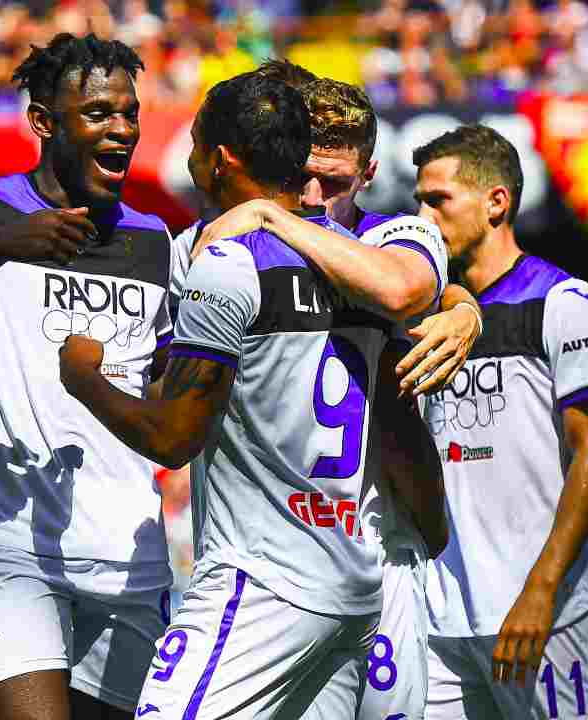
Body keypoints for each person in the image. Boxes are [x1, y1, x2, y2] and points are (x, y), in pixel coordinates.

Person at [57, 70, 445, 719]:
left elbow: (176, 438)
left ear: (219, 160)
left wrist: (83, 381)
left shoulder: (224, 259)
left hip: (261, 581)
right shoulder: (363, 256)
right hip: (350, 585)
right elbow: (416, 290)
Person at [0, 33, 180, 720]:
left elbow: (163, 391)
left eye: (129, 113)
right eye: (100, 113)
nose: (123, 129)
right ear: (45, 122)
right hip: (12, 547)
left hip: (128, 553)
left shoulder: (154, 241)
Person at [190, 67, 483, 720]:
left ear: (370, 174)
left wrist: (465, 306)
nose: (318, 196)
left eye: (338, 183)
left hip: (383, 557)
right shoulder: (226, 250)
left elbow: (405, 289)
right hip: (261, 563)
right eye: (304, 178)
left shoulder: (395, 237)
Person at [408, 124, 588, 720]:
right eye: (418, 200)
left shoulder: (562, 301)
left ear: (496, 202)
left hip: (547, 612)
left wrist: (541, 590)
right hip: (445, 615)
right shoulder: (425, 314)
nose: (422, 216)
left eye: (438, 200)